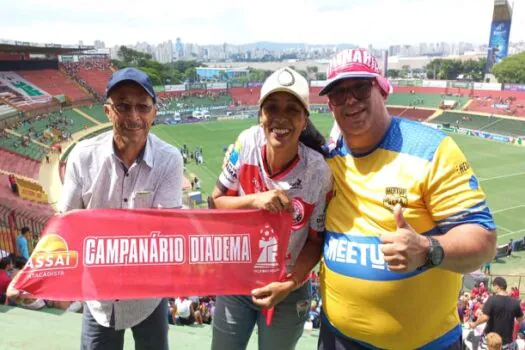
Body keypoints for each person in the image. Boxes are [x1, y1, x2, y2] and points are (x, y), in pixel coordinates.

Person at [317, 49, 497, 349]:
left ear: (382, 89)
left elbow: (484, 240)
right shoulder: (328, 155)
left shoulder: (432, 150)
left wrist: (428, 249)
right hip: (336, 338)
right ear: (330, 105)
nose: (350, 100)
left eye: (361, 87)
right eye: (338, 93)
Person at [9, 67, 184, 350]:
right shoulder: (83, 156)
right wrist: (35, 276)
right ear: (107, 111)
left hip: (149, 297)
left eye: (142, 106)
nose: (133, 116)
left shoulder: (169, 160)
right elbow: (64, 228)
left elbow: (164, 230)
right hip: (99, 298)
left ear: (154, 112)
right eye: (123, 106)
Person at [210, 67, 332, 350]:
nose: (281, 117)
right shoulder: (246, 144)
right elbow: (216, 202)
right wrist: (255, 200)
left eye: (292, 109)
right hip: (237, 278)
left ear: (304, 120)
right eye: (272, 108)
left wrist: (288, 284)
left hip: (289, 288)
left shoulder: (318, 172)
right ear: (260, 116)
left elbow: (315, 241)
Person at [471, 277, 524, 348]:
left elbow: (485, 317)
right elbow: (520, 319)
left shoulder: (492, 300)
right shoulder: (515, 302)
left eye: (493, 286)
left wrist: (475, 324)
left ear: (497, 287)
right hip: (507, 341)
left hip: (491, 340)